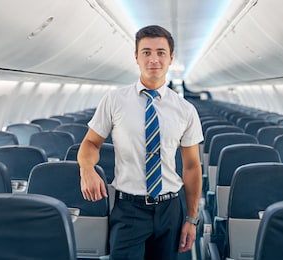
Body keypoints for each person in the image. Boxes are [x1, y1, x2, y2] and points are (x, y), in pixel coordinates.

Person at [77, 25, 203, 260]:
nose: (153, 59)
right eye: (146, 52)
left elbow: (192, 167)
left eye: (160, 52)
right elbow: (90, 144)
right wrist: (87, 169)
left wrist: (192, 219)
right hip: (128, 210)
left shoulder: (186, 110)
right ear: (136, 57)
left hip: (170, 209)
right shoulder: (114, 100)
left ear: (171, 58)